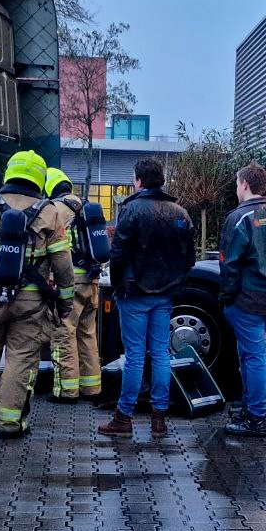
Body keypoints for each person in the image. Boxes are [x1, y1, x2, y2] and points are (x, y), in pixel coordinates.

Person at [0, 150, 73, 438]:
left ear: (11, 172)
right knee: (21, 359)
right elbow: (63, 266)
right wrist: (65, 302)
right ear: (39, 177)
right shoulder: (50, 212)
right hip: (30, 301)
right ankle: (11, 423)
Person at [98, 158, 195, 439]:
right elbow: (188, 257)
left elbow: (117, 255)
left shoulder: (131, 210)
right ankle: (159, 419)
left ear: (138, 181)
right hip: (165, 294)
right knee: (162, 354)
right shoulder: (181, 213)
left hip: (134, 293)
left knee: (135, 356)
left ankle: (123, 417)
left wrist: (118, 285)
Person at [218, 161, 266, 438]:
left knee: (252, 356)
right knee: (257, 351)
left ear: (245, 185)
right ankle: (255, 404)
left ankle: (256, 418)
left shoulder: (239, 218)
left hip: (247, 298)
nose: (237, 188)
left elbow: (229, 264)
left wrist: (227, 298)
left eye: (238, 184)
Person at [45, 168, 103, 404]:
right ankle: (92, 388)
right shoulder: (86, 205)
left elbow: (52, 250)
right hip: (92, 280)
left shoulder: (53, 210)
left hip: (71, 282)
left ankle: (67, 390)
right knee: (87, 334)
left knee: (64, 332)